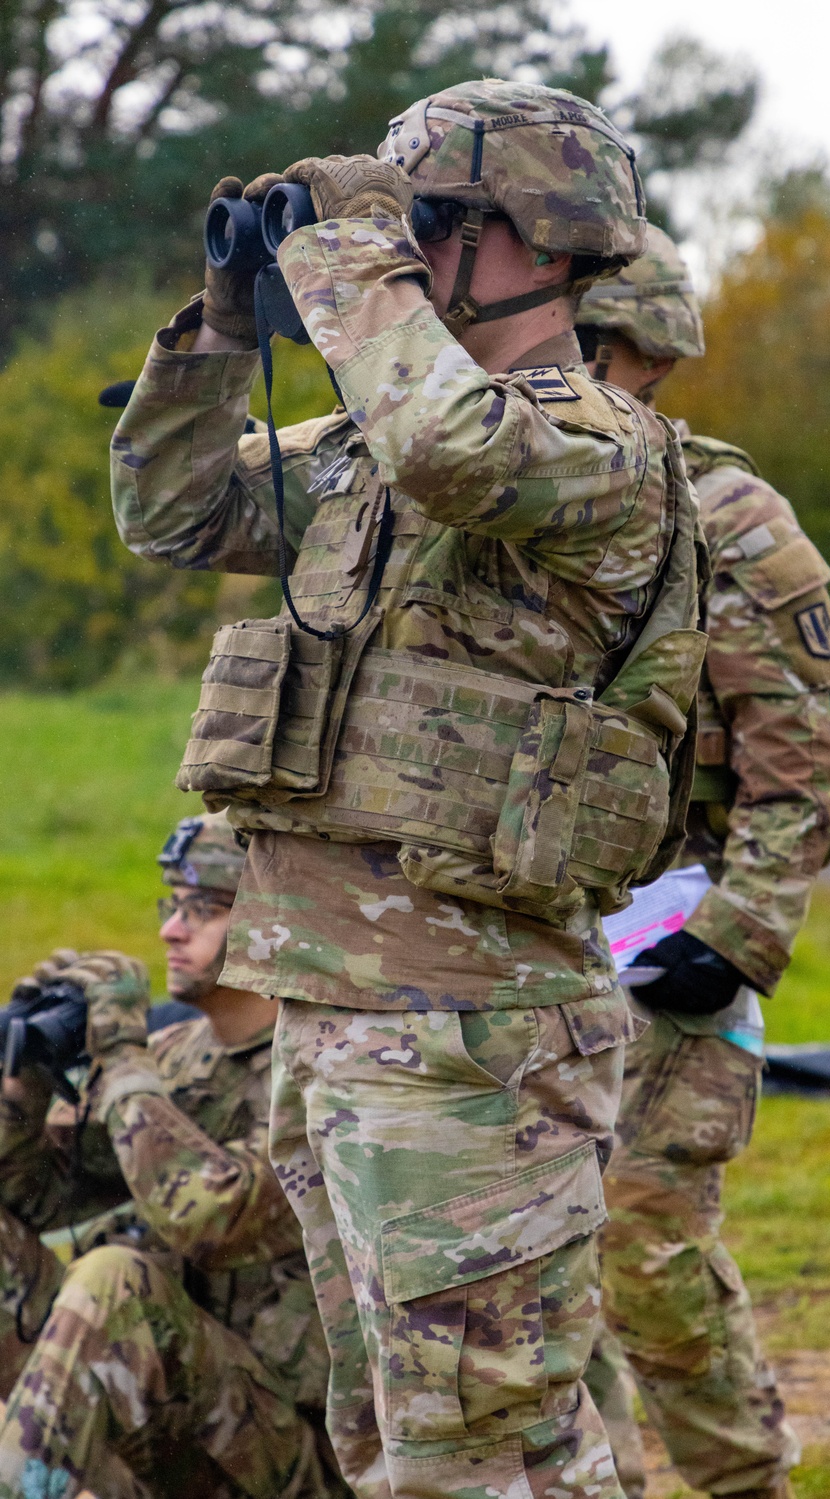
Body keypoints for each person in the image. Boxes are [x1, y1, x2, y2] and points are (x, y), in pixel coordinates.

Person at [109, 79, 704, 1499]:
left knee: (488, 1457)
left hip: (470, 1033)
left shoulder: (594, 442)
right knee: (386, 1438)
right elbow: (169, 505)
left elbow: (454, 448)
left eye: (432, 222)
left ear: (547, 245)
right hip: (333, 1010)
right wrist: (231, 313)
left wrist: (353, 252)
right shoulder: (371, 456)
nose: (404, 250)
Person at [573, 226, 830, 1499]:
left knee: (647, 1259)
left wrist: (735, 935)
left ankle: (744, 1483)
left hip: (671, 949)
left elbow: (800, 768)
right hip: (521, 945)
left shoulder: (719, 509)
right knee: (525, 1275)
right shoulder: (506, 498)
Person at [0, 813, 346, 1499]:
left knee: (114, 1277)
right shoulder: (178, 1058)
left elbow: (207, 1217)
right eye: (173, 905)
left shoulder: (327, 1078)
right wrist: (29, 1072)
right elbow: (32, 1197)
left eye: (206, 909)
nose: (170, 930)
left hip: (284, 1455)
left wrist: (124, 1053)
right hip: (170, 1419)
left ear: (272, 926)